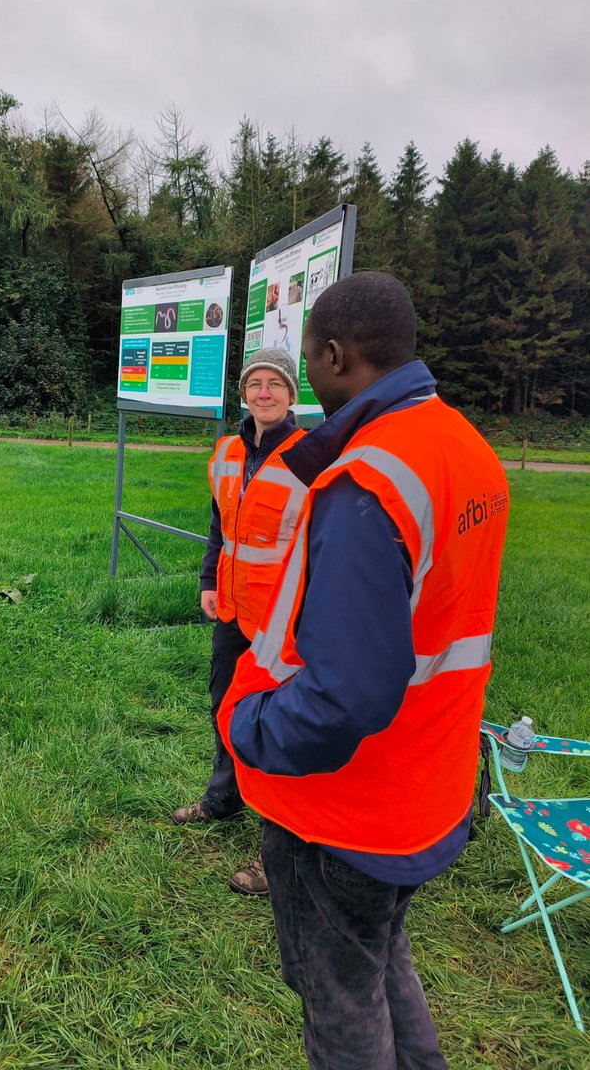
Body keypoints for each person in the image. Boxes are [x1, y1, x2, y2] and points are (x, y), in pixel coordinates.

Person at [218, 272, 510, 1069]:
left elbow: (345, 694)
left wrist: (248, 728)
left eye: (309, 356)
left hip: (348, 809)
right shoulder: (464, 447)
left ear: (336, 355)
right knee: (379, 962)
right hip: (429, 783)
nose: (307, 375)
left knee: (338, 998)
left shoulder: (367, 482)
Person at [173, 346, 308, 897]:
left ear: (292, 395)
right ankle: (222, 798)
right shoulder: (228, 451)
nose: (264, 392)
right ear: (244, 393)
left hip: (286, 621)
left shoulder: (312, 454)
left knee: (279, 727)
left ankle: (275, 850)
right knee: (226, 707)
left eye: (275, 383)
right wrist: (209, 580)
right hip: (232, 610)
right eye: (255, 383)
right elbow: (219, 527)